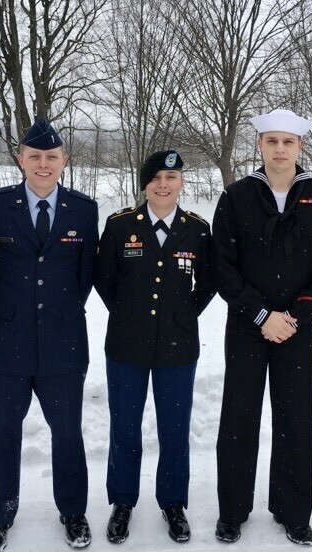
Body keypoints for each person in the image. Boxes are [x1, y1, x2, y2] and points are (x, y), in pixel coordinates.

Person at [212, 109, 312, 545]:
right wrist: (259, 314)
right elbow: (223, 266)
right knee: (239, 418)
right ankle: (232, 510)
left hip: (295, 328)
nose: (280, 149)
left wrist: (294, 317)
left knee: (294, 419)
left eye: (288, 142)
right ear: (260, 146)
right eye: (272, 141)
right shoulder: (236, 196)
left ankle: (292, 511)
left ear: (301, 147)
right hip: (248, 325)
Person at [0, 118, 98, 552]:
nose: (42, 164)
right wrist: (13, 315)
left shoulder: (83, 210)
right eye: (34, 156)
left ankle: (73, 512)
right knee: (3, 431)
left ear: (63, 161)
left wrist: (55, 315)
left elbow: (83, 277)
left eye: (51, 157)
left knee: (67, 433)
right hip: (8, 343)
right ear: (20, 159)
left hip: (64, 344)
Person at [94, 150, 216, 545]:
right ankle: (123, 501)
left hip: (178, 347)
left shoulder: (196, 229)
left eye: (171, 177)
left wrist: (183, 313)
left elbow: (209, 282)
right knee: (125, 427)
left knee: (175, 428)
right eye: (156, 178)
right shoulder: (120, 225)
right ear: (144, 184)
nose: (163, 185)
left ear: (182, 183)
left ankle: (173, 503)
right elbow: (104, 278)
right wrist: (128, 314)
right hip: (126, 345)